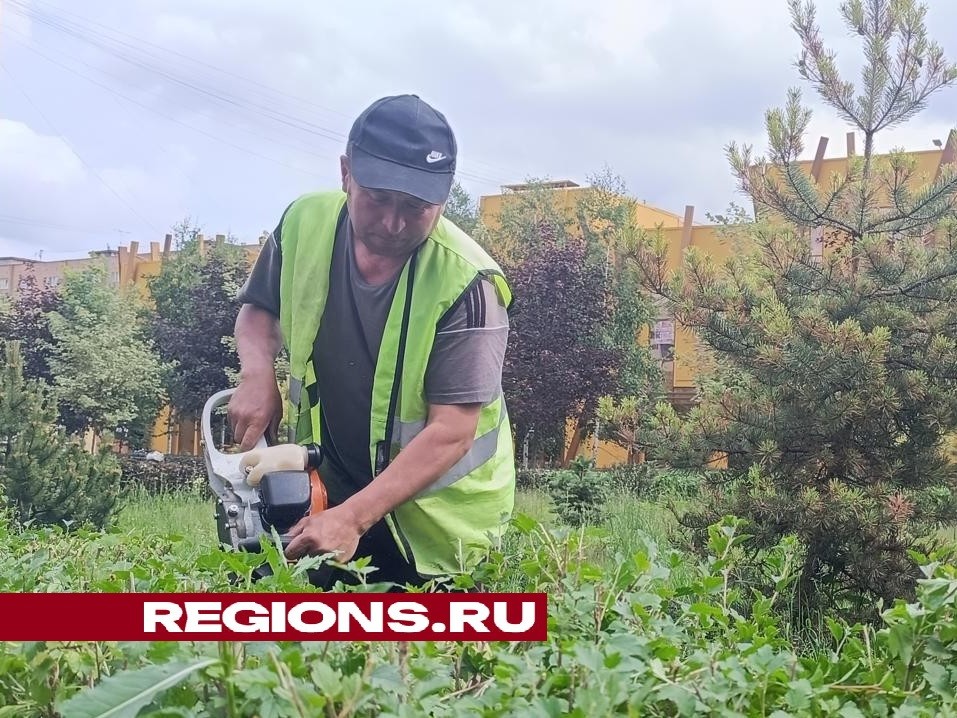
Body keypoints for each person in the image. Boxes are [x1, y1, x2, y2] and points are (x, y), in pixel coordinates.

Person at [228, 94, 516, 589]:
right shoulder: (304, 223)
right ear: (346, 174)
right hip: (330, 494)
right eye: (378, 199)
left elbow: (452, 431)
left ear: (443, 200)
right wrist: (257, 372)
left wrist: (354, 519)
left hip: (438, 531)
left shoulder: (469, 284)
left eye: (415, 208)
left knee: (419, 662)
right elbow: (259, 310)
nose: (393, 223)